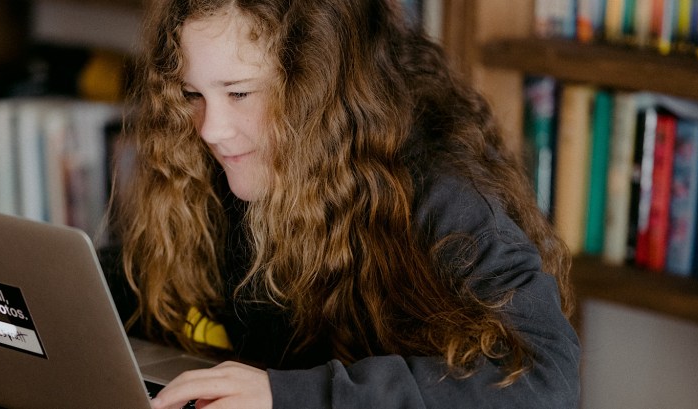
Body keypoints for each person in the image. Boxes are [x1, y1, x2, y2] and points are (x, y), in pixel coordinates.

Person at [100, 0, 581, 407]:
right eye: (192, 94)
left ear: (319, 87)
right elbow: (126, 292)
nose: (210, 130)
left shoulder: (440, 189)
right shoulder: (209, 167)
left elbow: (544, 379)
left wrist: (289, 396)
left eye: (240, 93)